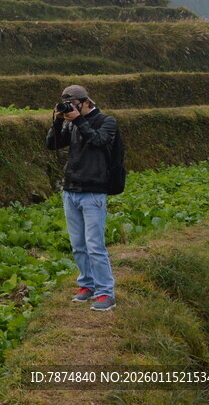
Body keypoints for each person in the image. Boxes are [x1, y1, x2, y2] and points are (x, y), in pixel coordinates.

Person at [46, 84, 118, 311]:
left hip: (94, 192)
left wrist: (78, 120)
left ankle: (106, 292)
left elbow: (98, 141)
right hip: (71, 190)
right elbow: (52, 144)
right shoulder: (72, 124)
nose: (70, 107)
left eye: (73, 103)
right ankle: (87, 285)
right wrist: (58, 120)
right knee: (78, 245)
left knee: (95, 245)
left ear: (86, 101)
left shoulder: (107, 121)